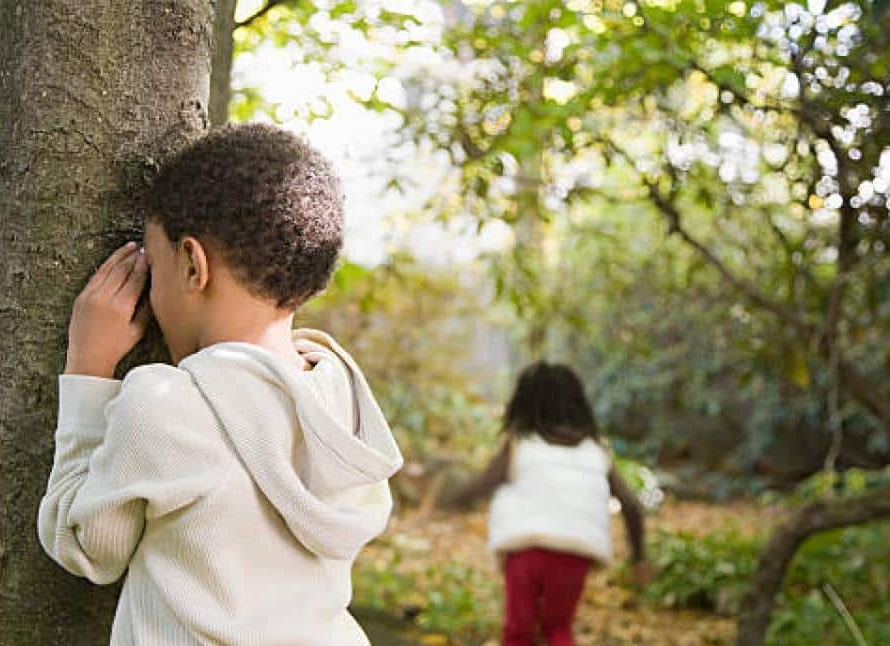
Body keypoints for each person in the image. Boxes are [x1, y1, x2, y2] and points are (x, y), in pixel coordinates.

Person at [36, 123, 403, 645]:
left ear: (192, 264)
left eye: (154, 269)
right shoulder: (340, 395)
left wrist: (88, 371)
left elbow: (87, 547)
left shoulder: (166, 404)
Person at [445, 361, 648, 646]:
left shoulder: (519, 444)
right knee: (558, 626)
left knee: (519, 629)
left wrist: (448, 499)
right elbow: (631, 506)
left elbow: (482, 485)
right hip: (576, 550)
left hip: (526, 548)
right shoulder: (596, 451)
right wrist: (639, 557)